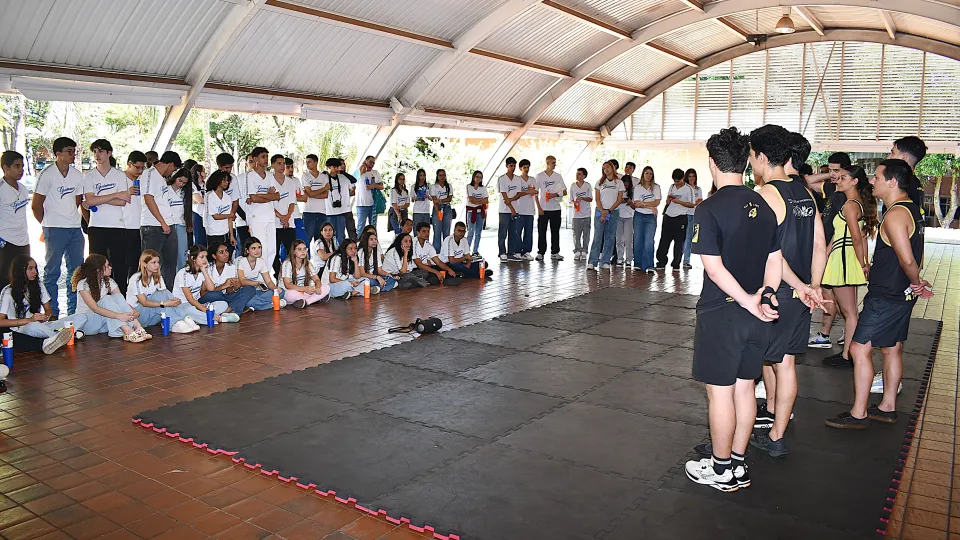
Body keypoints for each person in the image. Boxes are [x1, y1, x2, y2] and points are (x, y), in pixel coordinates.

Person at [684, 127, 782, 492]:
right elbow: (776, 260)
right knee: (745, 390)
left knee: (720, 394)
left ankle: (721, 468)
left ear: (712, 163)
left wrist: (747, 300)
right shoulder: (766, 207)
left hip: (723, 314)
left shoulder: (708, 209)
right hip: (756, 316)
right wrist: (764, 295)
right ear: (745, 163)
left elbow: (713, 268)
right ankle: (737, 465)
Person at [826, 159, 931, 429]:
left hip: (887, 295)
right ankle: (887, 406)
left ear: (892, 182)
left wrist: (916, 280)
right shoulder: (912, 209)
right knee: (892, 349)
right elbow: (916, 252)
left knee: (859, 349)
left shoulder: (895, 215)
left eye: (877, 177)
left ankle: (859, 413)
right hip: (901, 293)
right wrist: (914, 283)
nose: (872, 181)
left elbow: (908, 260)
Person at [749, 125, 827, 457]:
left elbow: (772, 256)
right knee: (785, 363)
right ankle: (776, 431)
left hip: (775, 295)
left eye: (751, 156)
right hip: (798, 297)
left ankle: (741, 439)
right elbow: (821, 244)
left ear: (762, 157)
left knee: (754, 366)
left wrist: (798, 286)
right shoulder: (805, 194)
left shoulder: (767, 195)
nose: (750, 162)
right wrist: (814, 286)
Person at [821, 165, 878, 368]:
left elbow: (856, 237)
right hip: (843, 257)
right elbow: (857, 237)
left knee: (850, 312)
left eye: (844, 177)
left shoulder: (850, 205)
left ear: (854, 181)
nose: (839, 180)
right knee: (849, 310)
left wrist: (862, 263)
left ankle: (848, 356)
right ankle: (847, 353)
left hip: (844, 258)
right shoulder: (855, 204)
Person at [33, 137, 84, 318]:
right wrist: (48, 224)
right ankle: (52, 312)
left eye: (73, 151)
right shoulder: (47, 174)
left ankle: (73, 311)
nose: (72, 155)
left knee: (77, 272)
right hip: (54, 229)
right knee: (52, 271)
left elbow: (77, 201)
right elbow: (36, 205)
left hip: (74, 228)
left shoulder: (77, 175)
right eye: (69, 151)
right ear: (58, 153)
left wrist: (69, 218)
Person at [808, 152, 852, 349]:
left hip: (835, 251)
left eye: (837, 171)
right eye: (830, 169)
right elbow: (808, 180)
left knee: (836, 297)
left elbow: (844, 231)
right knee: (832, 295)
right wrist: (831, 175)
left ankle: (827, 335)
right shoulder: (833, 189)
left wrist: (826, 252)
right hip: (828, 249)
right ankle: (832, 333)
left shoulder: (846, 196)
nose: (833, 175)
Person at [83, 140, 138, 295]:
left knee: (119, 267)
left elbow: (122, 201)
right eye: (94, 151)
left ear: (109, 153)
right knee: (96, 267)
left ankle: (121, 300)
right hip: (96, 227)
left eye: (101, 151)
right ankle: (97, 299)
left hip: (118, 227)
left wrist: (98, 198)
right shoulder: (89, 176)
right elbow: (90, 200)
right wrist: (115, 194)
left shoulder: (119, 175)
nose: (97, 155)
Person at [0, 255, 83, 354]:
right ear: (20, 271)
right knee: (33, 326)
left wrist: (45, 317)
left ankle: (59, 336)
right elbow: (1, 321)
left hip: (43, 325)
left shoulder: (38, 285)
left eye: (35, 268)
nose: (34, 272)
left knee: (81, 317)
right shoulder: (8, 292)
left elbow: (48, 310)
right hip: (23, 327)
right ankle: (63, 337)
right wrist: (29, 320)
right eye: (30, 268)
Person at [72, 254, 151, 342]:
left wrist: (133, 311)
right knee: (107, 299)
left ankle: (138, 327)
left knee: (117, 296)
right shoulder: (83, 284)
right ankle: (127, 331)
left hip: (103, 324)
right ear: (98, 270)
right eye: (107, 266)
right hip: (88, 324)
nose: (110, 268)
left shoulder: (109, 281)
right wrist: (119, 316)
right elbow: (95, 308)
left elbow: (121, 301)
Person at [126, 250, 198, 334]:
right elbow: (144, 302)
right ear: (145, 264)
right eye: (154, 262)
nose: (157, 265)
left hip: (153, 316)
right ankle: (175, 323)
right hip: (138, 316)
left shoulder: (158, 277)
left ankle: (184, 318)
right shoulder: (136, 279)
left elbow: (165, 294)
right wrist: (164, 303)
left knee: (164, 293)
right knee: (159, 296)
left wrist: (173, 300)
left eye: (158, 262)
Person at [142, 167, 190, 289]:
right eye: (180, 181)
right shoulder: (164, 188)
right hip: (163, 224)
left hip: (178, 225)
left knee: (180, 256)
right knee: (157, 259)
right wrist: (163, 223)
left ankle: (176, 284)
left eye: (184, 183)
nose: (181, 184)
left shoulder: (185, 193)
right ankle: (154, 286)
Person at [173, 245, 239, 325]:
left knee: (223, 304)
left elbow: (211, 288)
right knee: (190, 311)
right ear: (193, 258)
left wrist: (204, 271)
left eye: (205, 257)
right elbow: (190, 300)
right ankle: (220, 318)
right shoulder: (183, 273)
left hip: (197, 303)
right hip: (183, 304)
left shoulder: (203, 271)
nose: (205, 260)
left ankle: (201, 318)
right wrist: (206, 310)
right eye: (202, 257)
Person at [243, 148, 281, 281]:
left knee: (272, 250)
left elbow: (277, 196)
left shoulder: (270, 175)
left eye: (266, 156)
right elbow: (253, 198)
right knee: (260, 250)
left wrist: (262, 196)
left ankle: (266, 276)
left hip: (270, 217)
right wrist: (268, 196)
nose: (265, 159)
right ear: (255, 159)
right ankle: (258, 278)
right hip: (257, 218)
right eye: (263, 156)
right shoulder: (250, 175)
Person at [200, 241, 263, 314]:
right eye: (221, 252)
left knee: (250, 289)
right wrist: (223, 286)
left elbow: (228, 292)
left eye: (226, 251)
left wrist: (235, 288)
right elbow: (203, 294)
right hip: (213, 297)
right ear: (214, 256)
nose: (226, 254)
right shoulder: (207, 269)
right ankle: (235, 307)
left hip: (226, 297)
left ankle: (229, 309)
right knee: (213, 295)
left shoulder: (231, 267)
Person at [0, 151, 31, 292]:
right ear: (5, 168)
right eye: (16, 166)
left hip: (23, 240)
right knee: (5, 279)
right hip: (5, 242)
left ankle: (21, 310)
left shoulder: (23, 189)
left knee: (23, 277)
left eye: (22, 166)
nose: (21, 170)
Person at [655, 168, 695, 271]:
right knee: (664, 240)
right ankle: (661, 261)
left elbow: (692, 204)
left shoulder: (688, 188)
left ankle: (676, 263)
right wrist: (668, 201)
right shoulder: (672, 186)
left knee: (679, 242)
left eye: (678, 181)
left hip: (681, 217)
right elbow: (667, 201)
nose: (676, 183)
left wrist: (679, 202)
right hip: (669, 216)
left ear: (682, 178)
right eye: (674, 181)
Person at [587, 162, 624, 271]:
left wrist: (609, 210)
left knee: (610, 237)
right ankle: (592, 261)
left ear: (613, 168)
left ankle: (605, 261)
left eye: (607, 167)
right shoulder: (600, 182)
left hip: (613, 212)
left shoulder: (619, 182)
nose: (606, 170)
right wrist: (603, 211)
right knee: (598, 236)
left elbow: (619, 199)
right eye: (604, 168)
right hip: (600, 211)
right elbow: (597, 199)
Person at [235, 236, 284, 309]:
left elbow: (269, 281)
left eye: (259, 247)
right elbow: (243, 281)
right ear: (247, 250)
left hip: (258, 292)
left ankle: (260, 305)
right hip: (244, 292)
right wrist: (257, 283)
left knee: (281, 291)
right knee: (249, 301)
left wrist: (275, 288)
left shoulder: (261, 261)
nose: (257, 251)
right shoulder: (240, 261)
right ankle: (274, 304)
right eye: (253, 248)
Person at [269, 154, 298, 276]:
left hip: (289, 223)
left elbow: (292, 202)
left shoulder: (290, 182)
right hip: (274, 223)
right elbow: (268, 203)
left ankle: (290, 274)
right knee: (273, 252)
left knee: (292, 251)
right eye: (279, 163)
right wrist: (280, 217)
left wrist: (287, 217)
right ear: (273, 165)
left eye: (283, 164)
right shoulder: (269, 180)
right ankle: (278, 274)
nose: (282, 166)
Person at [216, 153, 248, 258]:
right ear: (219, 166)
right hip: (216, 219)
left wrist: (233, 213)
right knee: (217, 247)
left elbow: (235, 199)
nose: (229, 170)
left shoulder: (233, 179)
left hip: (230, 217)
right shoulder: (213, 179)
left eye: (230, 167)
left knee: (230, 244)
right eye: (226, 167)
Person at [535, 156, 567, 261]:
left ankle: (555, 252)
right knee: (542, 231)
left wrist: (555, 195)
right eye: (553, 162)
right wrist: (539, 208)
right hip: (543, 208)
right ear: (547, 163)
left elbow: (564, 191)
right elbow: (535, 193)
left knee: (555, 231)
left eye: (555, 162)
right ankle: (541, 252)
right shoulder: (539, 176)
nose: (554, 164)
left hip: (556, 209)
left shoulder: (558, 176)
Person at [281, 239, 329, 307]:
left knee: (326, 287)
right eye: (299, 249)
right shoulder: (287, 263)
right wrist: (305, 289)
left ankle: (306, 302)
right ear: (294, 251)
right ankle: (315, 299)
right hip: (290, 292)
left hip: (304, 292)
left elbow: (317, 280)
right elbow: (287, 285)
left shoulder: (308, 263)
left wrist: (317, 288)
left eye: (304, 249)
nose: (303, 251)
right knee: (290, 294)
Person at [632, 166, 660, 273]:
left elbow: (656, 202)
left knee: (649, 241)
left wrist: (645, 204)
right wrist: (650, 206)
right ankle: (638, 263)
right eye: (646, 173)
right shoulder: (638, 187)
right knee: (638, 240)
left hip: (650, 217)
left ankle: (649, 264)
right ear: (643, 174)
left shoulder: (656, 187)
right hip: (639, 216)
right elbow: (636, 204)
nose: (648, 175)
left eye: (650, 174)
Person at [497, 158, 523, 262]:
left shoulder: (517, 179)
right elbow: (504, 195)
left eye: (514, 166)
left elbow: (518, 194)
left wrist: (511, 201)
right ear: (507, 166)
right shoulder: (502, 178)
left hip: (515, 209)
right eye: (511, 166)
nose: (513, 168)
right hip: (504, 210)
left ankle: (511, 252)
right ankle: (502, 252)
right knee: (503, 232)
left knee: (513, 232)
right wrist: (511, 208)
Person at [301, 154, 329, 245]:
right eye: (306, 162)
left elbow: (326, 195)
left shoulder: (324, 177)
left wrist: (312, 194)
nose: (307, 164)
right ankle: (305, 259)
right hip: (309, 212)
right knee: (306, 240)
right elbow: (309, 193)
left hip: (322, 212)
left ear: (316, 162)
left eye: (309, 162)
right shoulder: (305, 176)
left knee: (320, 241)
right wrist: (323, 188)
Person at [204, 170, 236, 248]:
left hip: (225, 232)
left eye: (228, 181)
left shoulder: (228, 197)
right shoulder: (209, 195)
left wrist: (231, 235)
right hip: (213, 233)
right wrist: (229, 215)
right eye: (224, 180)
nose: (226, 182)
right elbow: (215, 216)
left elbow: (230, 218)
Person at [324, 158, 352, 244]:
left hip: (341, 211)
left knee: (341, 236)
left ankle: (342, 253)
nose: (336, 169)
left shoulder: (343, 177)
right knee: (328, 236)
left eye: (338, 167)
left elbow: (354, 180)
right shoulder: (324, 178)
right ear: (329, 167)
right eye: (334, 167)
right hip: (329, 212)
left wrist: (343, 172)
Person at [614, 162, 636, 266]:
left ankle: (629, 259)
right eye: (624, 183)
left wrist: (630, 202)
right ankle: (619, 257)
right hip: (618, 216)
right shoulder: (618, 191)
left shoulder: (633, 192)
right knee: (619, 239)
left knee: (628, 240)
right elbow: (614, 202)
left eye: (628, 183)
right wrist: (620, 200)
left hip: (629, 217)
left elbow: (635, 206)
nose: (626, 185)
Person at [515, 160, 538, 260]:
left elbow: (536, 191)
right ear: (520, 168)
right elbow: (518, 193)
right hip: (519, 209)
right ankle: (517, 251)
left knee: (528, 232)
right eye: (524, 167)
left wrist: (526, 192)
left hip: (530, 210)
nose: (526, 169)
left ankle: (526, 251)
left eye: (528, 167)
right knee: (518, 231)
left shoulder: (532, 179)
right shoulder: (517, 180)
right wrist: (529, 191)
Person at [682, 168, 704, 269]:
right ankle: (681, 259)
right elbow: (685, 201)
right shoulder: (684, 188)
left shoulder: (698, 189)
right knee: (683, 238)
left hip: (694, 215)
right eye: (689, 176)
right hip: (684, 214)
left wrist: (692, 203)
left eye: (693, 176)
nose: (691, 178)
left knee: (690, 238)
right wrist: (691, 203)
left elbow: (699, 201)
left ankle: (686, 260)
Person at [356, 155, 384, 235]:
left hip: (373, 205)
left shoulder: (375, 172)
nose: (372, 164)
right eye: (370, 162)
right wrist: (363, 166)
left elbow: (382, 186)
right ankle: (358, 245)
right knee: (360, 227)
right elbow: (355, 179)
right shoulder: (358, 172)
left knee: (373, 227)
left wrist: (374, 186)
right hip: (361, 205)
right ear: (365, 161)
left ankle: (374, 244)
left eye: (373, 163)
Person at [569, 168, 592, 261]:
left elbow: (590, 198)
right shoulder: (573, 186)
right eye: (576, 174)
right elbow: (570, 199)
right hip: (576, 214)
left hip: (586, 213)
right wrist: (574, 202)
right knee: (576, 234)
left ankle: (585, 251)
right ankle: (577, 250)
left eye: (579, 174)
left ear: (584, 176)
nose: (577, 175)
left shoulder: (588, 186)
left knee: (586, 234)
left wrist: (582, 198)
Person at [464, 171, 488, 256]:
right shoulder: (469, 187)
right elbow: (471, 200)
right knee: (470, 232)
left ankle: (475, 251)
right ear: (474, 177)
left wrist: (476, 201)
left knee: (478, 232)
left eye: (480, 177)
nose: (478, 179)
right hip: (471, 211)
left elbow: (486, 200)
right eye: (477, 177)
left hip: (480, 212)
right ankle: (466, 251)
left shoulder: (483, 188)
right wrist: (480, 201)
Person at [430, 169, 454, 251]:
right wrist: (438, 212)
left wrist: (440, 200)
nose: (442, 177)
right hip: (437, 208)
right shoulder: (434, 187)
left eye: (443, 175)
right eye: (440, 175)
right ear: (437, 176)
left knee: (446, 231)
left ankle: (446, 251)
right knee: (437, 231)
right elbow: (434, 200)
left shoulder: (449, 186)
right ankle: (436, 252)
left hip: (447, 208)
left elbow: (449, 199)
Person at [189, 162, 207, 247]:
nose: (205, 173)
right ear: (198, 173)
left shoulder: (205, 184)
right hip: (196, 214)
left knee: (206, 238)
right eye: (203, 171)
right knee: (199, 238)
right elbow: (200, 200)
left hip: (206, 214)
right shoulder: (191, 185)